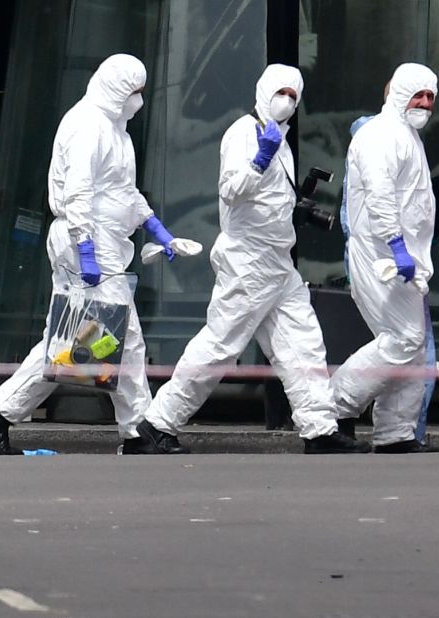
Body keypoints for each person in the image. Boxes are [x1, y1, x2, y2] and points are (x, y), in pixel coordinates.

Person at [0, 54, 201, 455]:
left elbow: (123, 194)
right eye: (134, 92)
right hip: (88, 245)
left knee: (79, 342)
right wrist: (87, 251)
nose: (138, 101)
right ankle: (136, 432)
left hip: (103, 244)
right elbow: (78, 194)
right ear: (116, 88)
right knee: (114, 339)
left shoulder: (117, 132)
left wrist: (158, 231)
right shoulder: (87, 124)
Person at [135, 64, 368, 455]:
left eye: (294, 96)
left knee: (303, 343)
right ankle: (158, 423)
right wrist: (259, 160)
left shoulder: (282, 142)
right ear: (263, 91)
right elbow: (230, 191)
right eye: (282, 93)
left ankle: (319, 428)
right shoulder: (245, 133)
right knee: (220, 345)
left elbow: (269, 200)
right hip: (247, 260)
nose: (287, 102)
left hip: (277, 262)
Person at [330, 62, 439, 454]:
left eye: (430, 97)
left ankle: (396, 433)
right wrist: (395, 244)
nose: (425, 104)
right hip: (380, 256)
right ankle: (336, 405)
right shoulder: (381, 135)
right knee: (404, 338)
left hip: (404, 260)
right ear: (398, 94)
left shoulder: (406, 135)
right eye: (418, 95)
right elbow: (379, 195)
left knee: (411, 344)